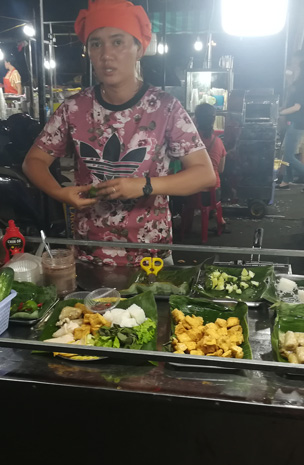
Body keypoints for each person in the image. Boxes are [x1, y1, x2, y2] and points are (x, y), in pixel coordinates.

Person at [23, 0, 215, 266]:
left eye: (117, 42)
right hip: (89, 252)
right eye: (96, 43)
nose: (106, 55)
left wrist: (146, 185)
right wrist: (60, 193)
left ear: (139, 48)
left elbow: (205, 175)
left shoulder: (165, 107)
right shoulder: (73, 108)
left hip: (151, 255)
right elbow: (33, 161)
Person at [277, 60, 304, 191]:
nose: (294, 68)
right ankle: (286, 181)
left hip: (298, 123)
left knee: (289, 155)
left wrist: (280, 113)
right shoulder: (300, 84)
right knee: (288, 153)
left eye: (297, 66)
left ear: (303, 70)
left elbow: (297, 107)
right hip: (295, 123)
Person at [194, 102, 228, 233]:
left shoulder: (190, 141)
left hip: (191, 190)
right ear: (213, 120)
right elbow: (221, 169)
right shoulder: (218, 142)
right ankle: (218, 217)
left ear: (196, 119)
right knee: (214, 192)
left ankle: (182, 224)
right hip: (213, 191)